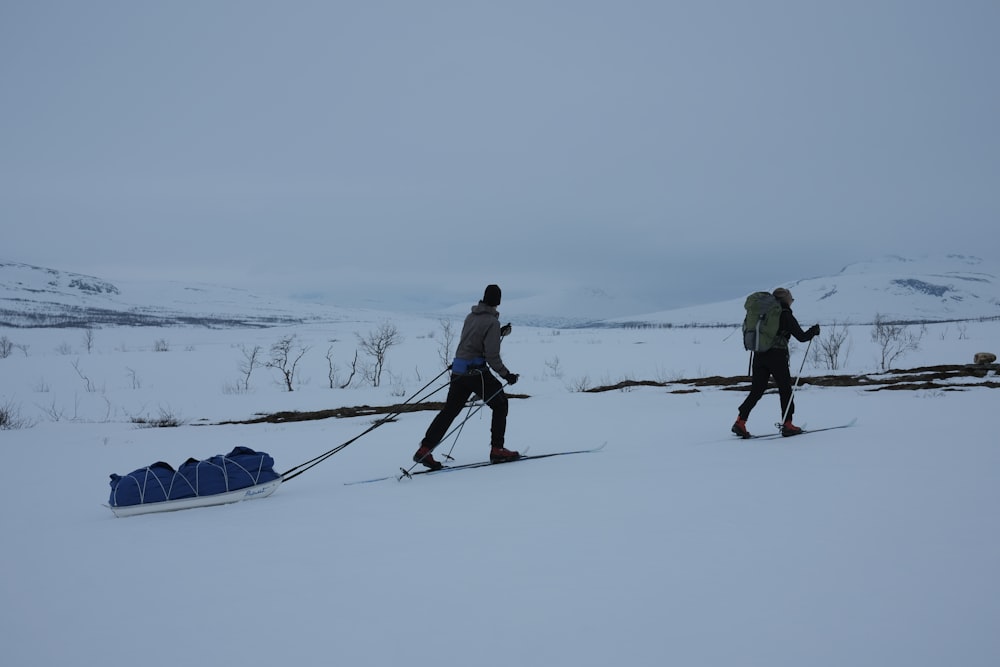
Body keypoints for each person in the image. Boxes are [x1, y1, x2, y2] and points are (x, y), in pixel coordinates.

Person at [413, 284, 521, 469]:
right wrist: (507, 375)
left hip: (458, 371)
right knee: (500, 404)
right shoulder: (492, 322)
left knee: (449, 411)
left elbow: (471, 340)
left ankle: (424, 450)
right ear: (498, 301)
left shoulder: (471, 316)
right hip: (476, 373)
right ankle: (497, 450)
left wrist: (498, 333)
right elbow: (492, 356)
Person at [732, 287, 820, 438]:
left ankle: (740, 421)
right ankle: (788, 424)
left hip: (759, 354)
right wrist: (814, 331)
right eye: (791, 300)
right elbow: (802, 337)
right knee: (785, 389)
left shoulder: (764, 314)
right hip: (777, 356)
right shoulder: (784, 314)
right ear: (786, 300)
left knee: (757, 391)